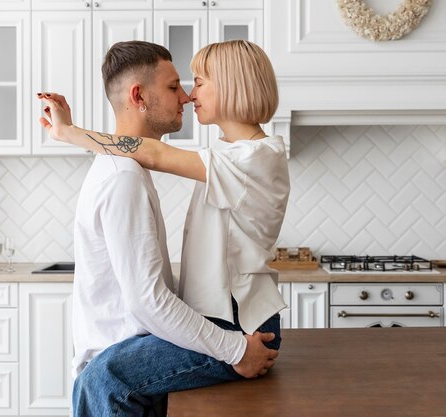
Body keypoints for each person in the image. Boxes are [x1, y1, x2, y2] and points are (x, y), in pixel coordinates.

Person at [38, 40, 282, 417]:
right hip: (221, 318)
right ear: (139, 95)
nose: (188, 95)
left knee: (104, 378)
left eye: (198, 82)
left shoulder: (255, 158)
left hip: (237, 320)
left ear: (231, 86)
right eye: (179, 86)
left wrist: (68, 132)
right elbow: (147, 154)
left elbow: (152, 153)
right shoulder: (223, 155)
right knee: (103, 377)